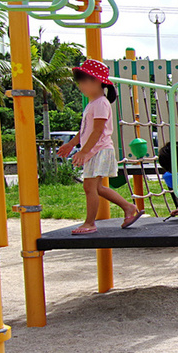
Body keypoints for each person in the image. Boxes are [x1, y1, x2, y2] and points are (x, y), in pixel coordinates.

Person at [57, 59, 142, 234]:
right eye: (79, 82)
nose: (81, 86)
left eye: (84, 82)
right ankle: (128, 207)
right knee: (97, 188)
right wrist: (72, 144)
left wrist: (84, 151)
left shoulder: (101, 103)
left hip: (99, 150)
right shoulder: (92, 104)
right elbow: (85, 130)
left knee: (90, 187)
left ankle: (90, 223)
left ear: (97, 82)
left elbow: (98, 130)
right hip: (95, 151)